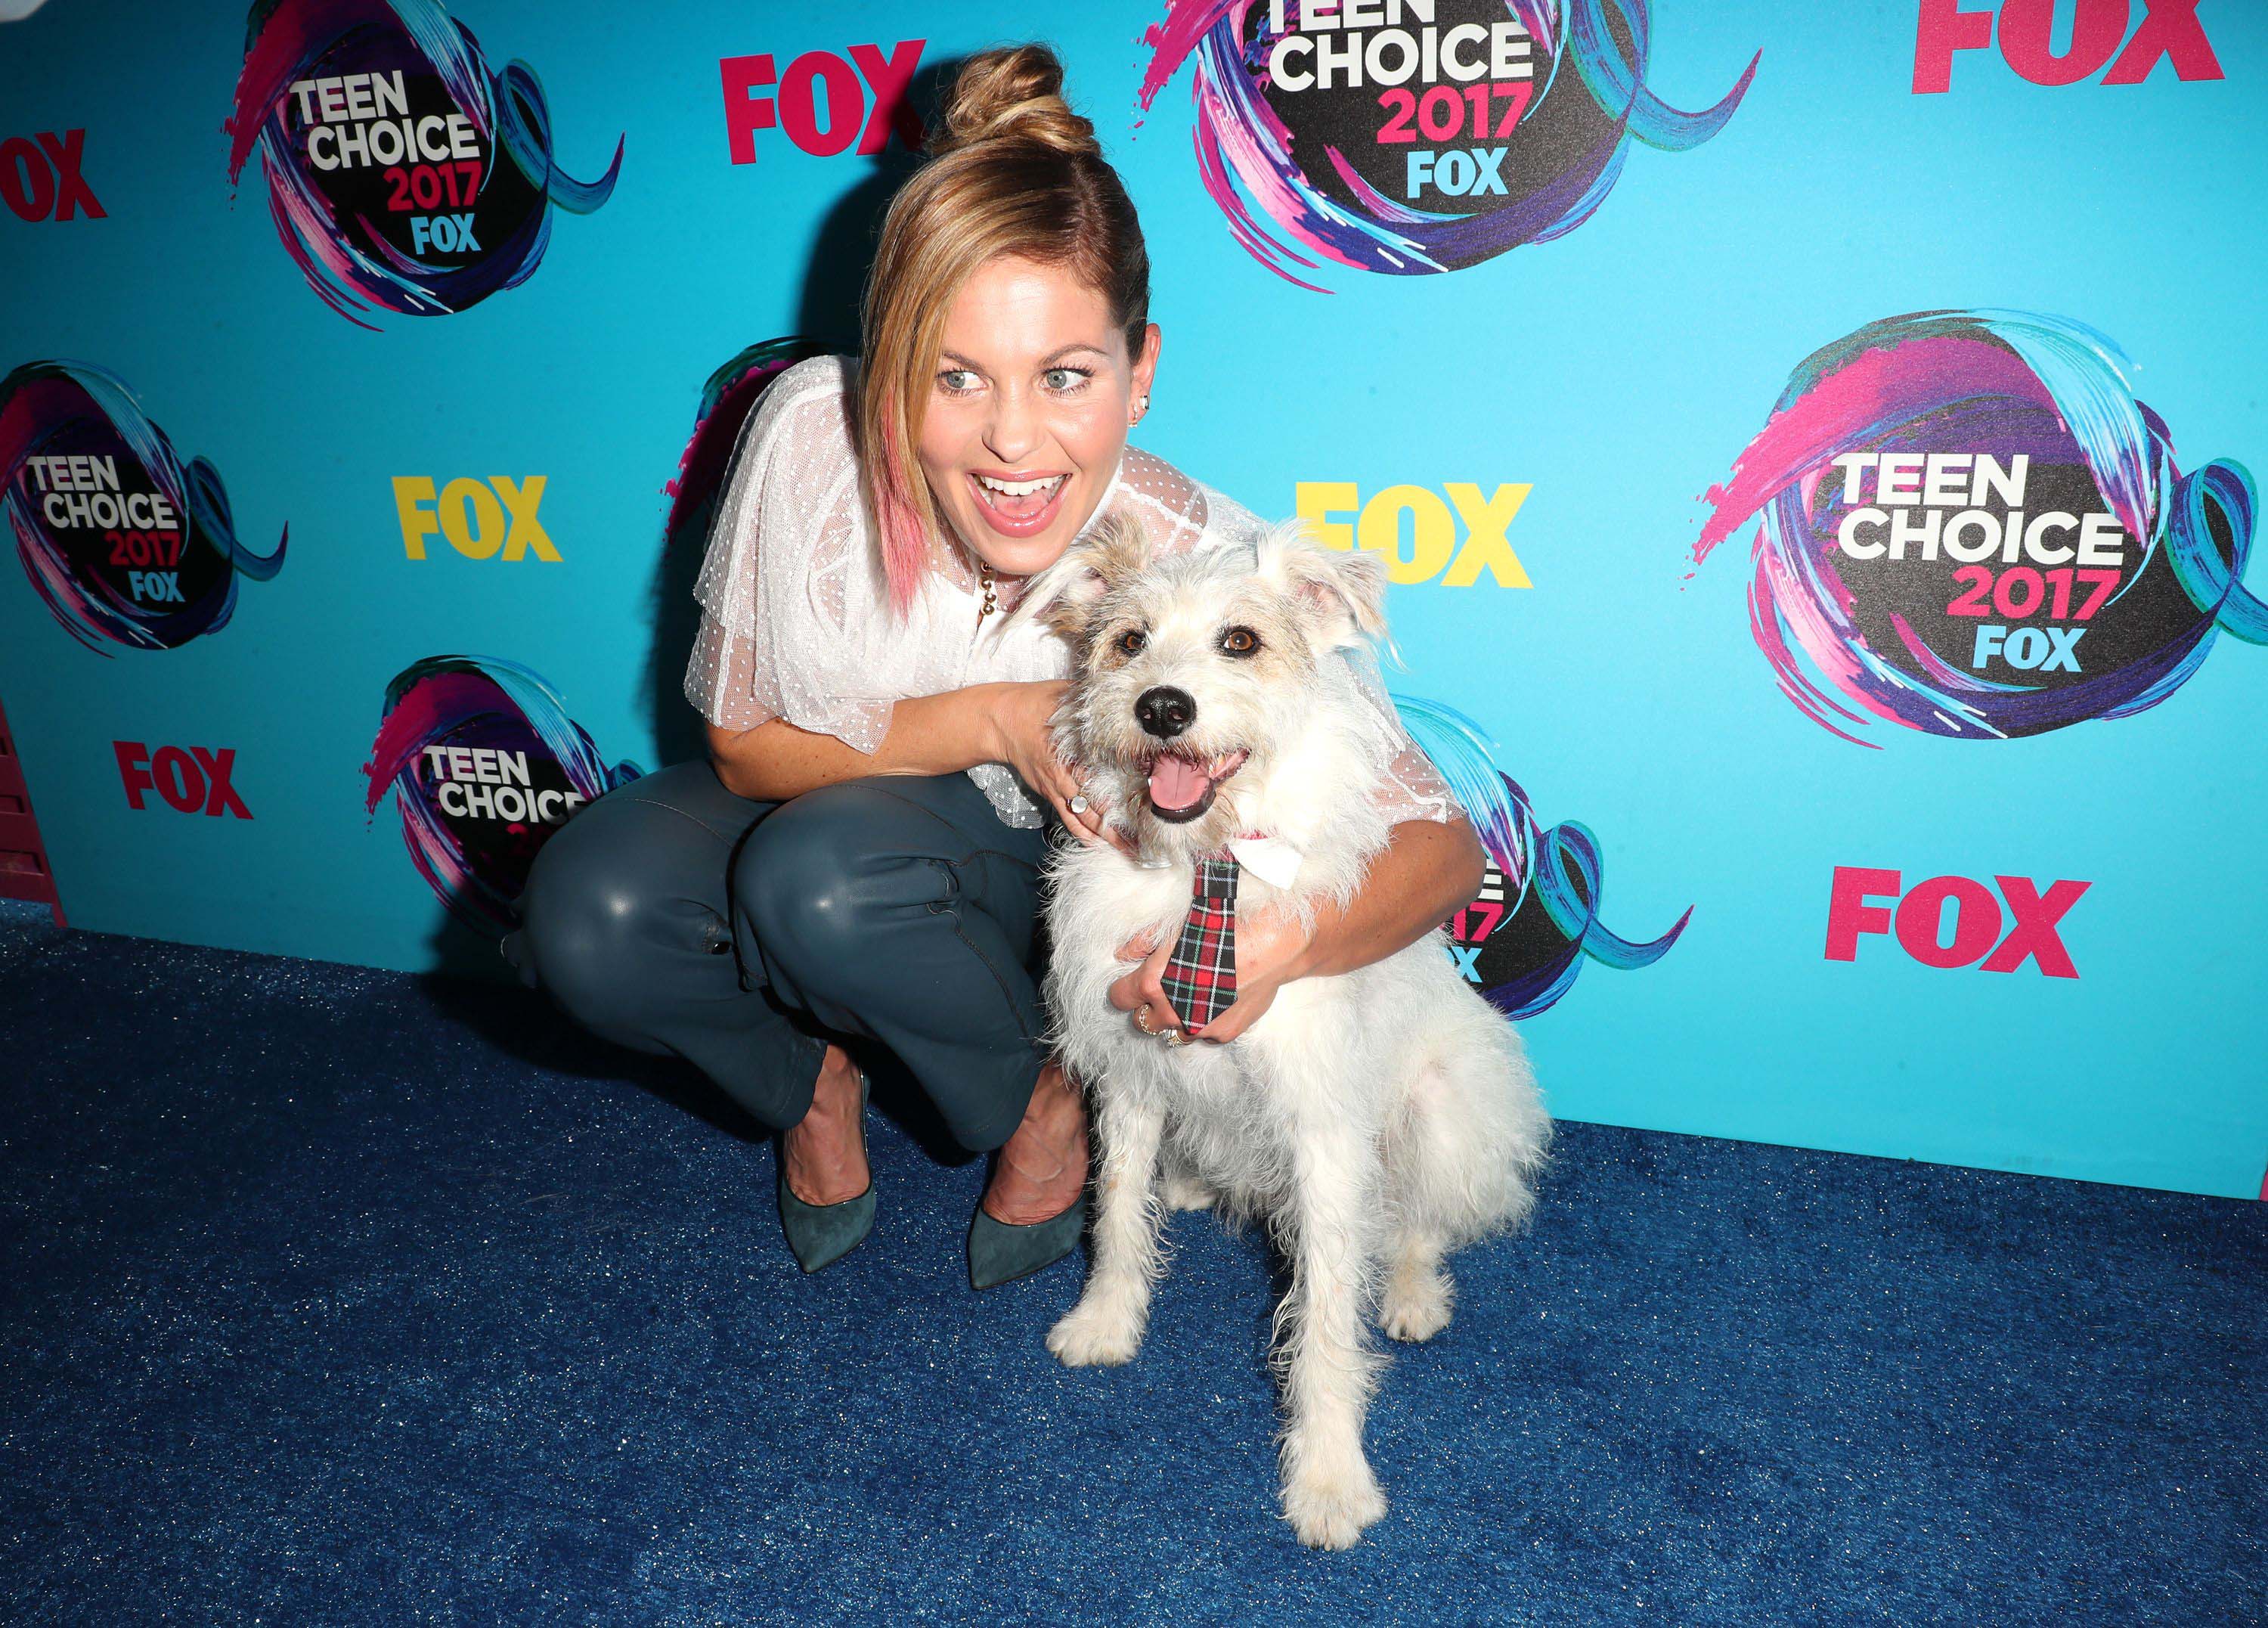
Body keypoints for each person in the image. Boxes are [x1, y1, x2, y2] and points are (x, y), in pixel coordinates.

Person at [500, 42, 1487, 1290]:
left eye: (1066, 376)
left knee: (824, 879)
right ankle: (809, 1085)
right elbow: (747, 742)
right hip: (839, 802)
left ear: (1140, 375)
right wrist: (1003, 716)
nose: (1012, 439)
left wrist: (1283, 943)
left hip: (1002, 889)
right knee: (593, 913)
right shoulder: (809, 429)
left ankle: (1049, 1100)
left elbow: (1445, 845)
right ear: (891, 360)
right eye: (953, 376)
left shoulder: (1192, 552)